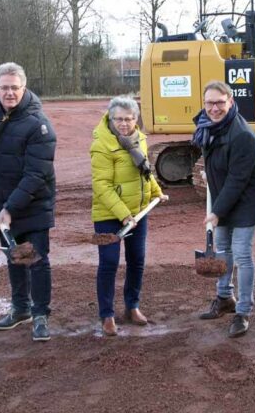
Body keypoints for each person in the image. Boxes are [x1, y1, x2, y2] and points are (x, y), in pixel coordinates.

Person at [0, 62, 57, 342]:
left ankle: (41, 314)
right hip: (0, 201)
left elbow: (36, 175)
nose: (10, 93)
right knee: (14, 256)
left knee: (35, 259)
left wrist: (10, 209)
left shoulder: (39, 125)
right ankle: (20, 309)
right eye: (4, 88)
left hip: (32, 203)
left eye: (15, 88)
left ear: (24, 87)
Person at [194, 81, 255, 338]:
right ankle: (225, 298)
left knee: (242, 254)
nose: (214, 108)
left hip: (246, 200)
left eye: (220, 103)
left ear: (231, 102)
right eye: (209, 103)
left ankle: (243, 311)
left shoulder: (243, 134)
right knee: (222, 249)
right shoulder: (207, 127)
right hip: (223, 195)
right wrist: (209, 173)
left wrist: (216, 212)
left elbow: (238, 180)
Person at [90, 96, 167, 336]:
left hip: (137, 213)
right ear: (110, 119)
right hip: (108, 214)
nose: (124, 124)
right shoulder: (101, 144)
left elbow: (144, 171)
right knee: (109, 263)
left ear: (136, 120)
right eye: (119, 119)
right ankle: (107, 315)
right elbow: (101, 186)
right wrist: (123, 215)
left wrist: (156, 191)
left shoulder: (139, 139)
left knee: (137, 260)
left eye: (129, 119)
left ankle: (132, 306)